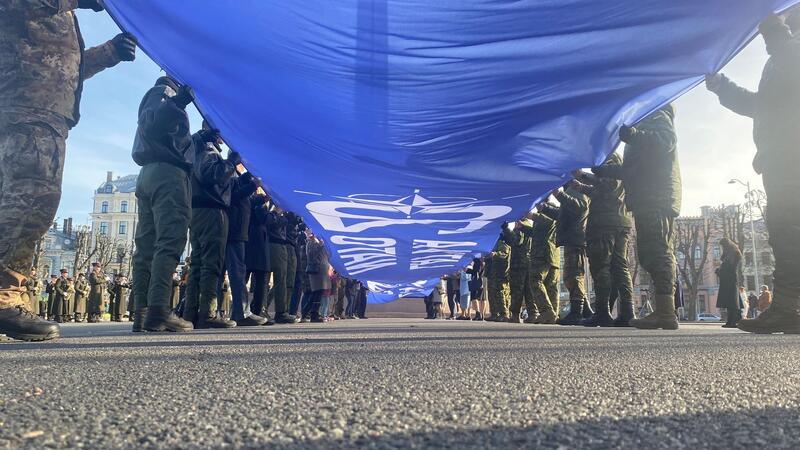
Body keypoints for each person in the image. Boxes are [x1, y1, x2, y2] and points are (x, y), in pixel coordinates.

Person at [0, 0, 137, 341]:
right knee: (30, 200)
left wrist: (109, 53)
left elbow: (62, 65)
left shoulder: (64, 16)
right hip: (26, 106)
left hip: (47, 112)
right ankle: (2, 297)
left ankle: (5, 295)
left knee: (32, 202)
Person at [706, 11, 800, 334]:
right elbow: (759, 104)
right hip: (781, 159)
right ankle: (789, 308)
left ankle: (788, 308)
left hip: (792, 157)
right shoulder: (780, 57)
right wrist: (722, 86)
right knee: (786, 235)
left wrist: (777, 34)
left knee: (789, 232)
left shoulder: (790, 51)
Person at [592, 104, 681, 330]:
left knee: (658, 251)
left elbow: (666, 141)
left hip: (656, 195)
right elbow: (631, 169)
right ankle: (663, 310)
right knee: (650, 254)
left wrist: (633, 135)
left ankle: (666, 312)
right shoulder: (644, 124)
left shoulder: (658, 115)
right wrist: (603, 171)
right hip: (647, 196)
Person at [130, 76, 197, 333]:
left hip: (151, 174)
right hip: (168, 175)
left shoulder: (159, 95)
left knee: (146, 245)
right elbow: (153, 124)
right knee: (169, 241)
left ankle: (143, 312)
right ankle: (158, 310)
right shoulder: (163, 93)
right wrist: (178, 103)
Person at [182, 121, 238, 329]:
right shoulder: (207, 149)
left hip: (199, 210)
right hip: (211, 211)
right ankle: (207, 313)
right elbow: (210, 176)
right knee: (211, 263)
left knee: (197, 262)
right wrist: (230, 164)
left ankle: (190, 312)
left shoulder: (198, 147)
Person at [574, 153, 635, 327]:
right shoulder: (618, 162)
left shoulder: (610, 159)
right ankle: (627, 312)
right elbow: (605, 190)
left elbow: (609, 184)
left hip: (604, 225)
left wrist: (583, 175)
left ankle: (602, 312)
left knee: (602, 267)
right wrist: (581, 187)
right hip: (620, 222)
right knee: (620, 267)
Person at [545, 182, 592, 326]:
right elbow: (561, 214)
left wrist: (559, 195)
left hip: (576, 240)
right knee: (571, 277)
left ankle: (577, 312)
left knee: (574, 276)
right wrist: (544, 208)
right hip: (572, 239)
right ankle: (586, 311)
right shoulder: (571, 192)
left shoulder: (577, 191)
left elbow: (579, 208)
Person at [223, 173, 265, 326]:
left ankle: (238, 312)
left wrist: (263, 198)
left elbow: (246, 201)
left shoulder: (238, 181)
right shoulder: (231, 178)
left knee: (235, 273)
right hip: (233, 233)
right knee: (236, 273)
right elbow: (233, 197)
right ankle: (241, 313)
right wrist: (252, 185)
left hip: (237, 233)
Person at [526, 206, 560, 324]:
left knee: (536, 281)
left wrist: (533, 216)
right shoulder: (546, 212)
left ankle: (547, 312)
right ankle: (552, 315)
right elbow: (536, 233)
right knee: (550, 286)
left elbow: (549, 222)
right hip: (551, 255)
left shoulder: (551, 210)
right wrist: (523, 227)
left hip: (543, 254)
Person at [502, 220, 536, 323]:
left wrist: (506, 229)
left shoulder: (521, 226)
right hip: (527, 263)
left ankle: (515, 315)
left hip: (519, 264)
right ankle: (533, 314)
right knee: (528, 290)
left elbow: (516, 241)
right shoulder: (529, 225)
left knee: (517, 290)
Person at [246, 194, 271, 323]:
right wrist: (274, 211)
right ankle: (249, 309)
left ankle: (257, 309)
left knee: (261, 279)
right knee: (253, 278)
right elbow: (265, 219)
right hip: (254, 241)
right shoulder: (256, 203)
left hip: (256, 241)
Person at [716, 238, 742, 328]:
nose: (722, 248)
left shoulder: (733, 254)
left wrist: (720, 271)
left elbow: (730, 267)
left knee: (732, 301)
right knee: (730, 301)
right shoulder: (731, 253)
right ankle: (731, 321)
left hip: (730, 279)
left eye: (723, 246)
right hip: (728, 279)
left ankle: (733, 321)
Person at [305, 231, 331, 323]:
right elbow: (311, 254)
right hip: (317, 271)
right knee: (316, 293)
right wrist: (320, 246)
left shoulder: (321, 244)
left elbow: (327, 255)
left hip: (323, 271)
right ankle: (310, 313)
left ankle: (314, 313)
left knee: (319, 293)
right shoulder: (310, 243)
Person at [484, 237, 511, 322]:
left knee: (501, 293)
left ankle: (504, 314)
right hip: (491, 272)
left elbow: (504, 253)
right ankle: (494, 313)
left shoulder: (502, 243)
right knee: (491, 294)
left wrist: (495, 254)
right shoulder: (491, 244)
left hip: (500, 273)